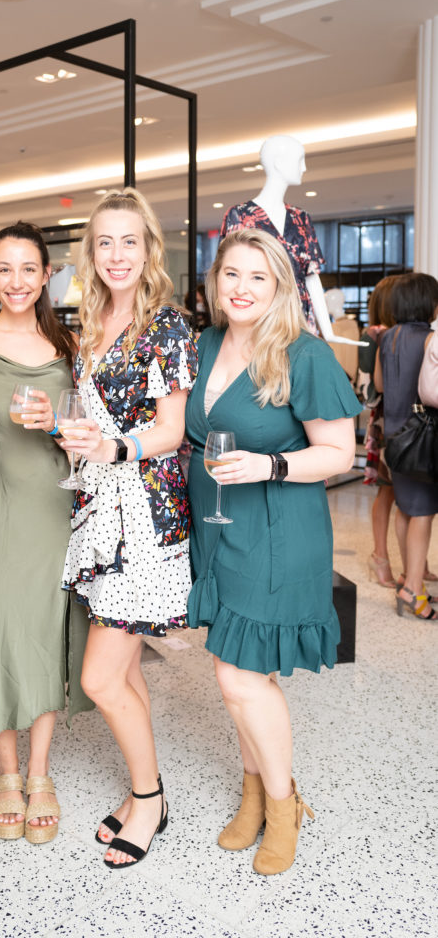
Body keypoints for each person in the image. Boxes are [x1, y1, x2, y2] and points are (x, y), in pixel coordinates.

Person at [185, 227, 360, 876]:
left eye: (258, 277)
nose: (242, 288)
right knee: (240, 668)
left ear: (280, 285)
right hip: (218, 520)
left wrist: (269, 466)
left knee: (238, 674)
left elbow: (339, 454)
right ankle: (254, 792)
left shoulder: (303, 354)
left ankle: (283, 804)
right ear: (215, 280)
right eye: (231, 274)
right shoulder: (205, 344)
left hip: (278, 524)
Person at [55, 188, 197, 869]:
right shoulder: (90, 322)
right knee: (126, 669)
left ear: (149, 250)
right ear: (91, 253)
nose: (117, 254)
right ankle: (152, 796)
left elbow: (171, 430)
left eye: (129, 242)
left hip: (144, 513)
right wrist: (71, 437)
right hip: (100, 512)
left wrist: (115, 449)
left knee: (101, 680)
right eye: (104, 242)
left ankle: (147, 796)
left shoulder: (166, 325)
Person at [0, 222, 92, 845]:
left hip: (48, 503)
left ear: (47, 273)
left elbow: (82, 433)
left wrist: (57, 423)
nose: (16, 282)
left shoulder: (67, 343)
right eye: (4, 269)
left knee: (41, 628)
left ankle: (39, 774)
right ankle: (6, 771)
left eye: (28, 269)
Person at [220, 135, 363, 348]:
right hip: (259, 321)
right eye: (300, 160)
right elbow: (228, 274)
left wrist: (327, 331)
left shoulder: (301, 218)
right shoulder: (240, 215)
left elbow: (311, 278)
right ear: (278, 163)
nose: (304, 167)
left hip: (300, 320)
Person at [375, 271, 438, 620]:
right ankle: (413, 589)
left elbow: (381, 386)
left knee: (406, 508)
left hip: (394, 435)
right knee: (424, 512)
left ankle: (408, 577)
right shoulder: (430, 340)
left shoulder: (389, 338)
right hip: (423, 435)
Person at [359, 276, 398, 587]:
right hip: (385, 420)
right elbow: (369, 390)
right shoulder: (372, 336)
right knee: (388, 490)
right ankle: (380, 556)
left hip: (397, 419)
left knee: (401, 492)